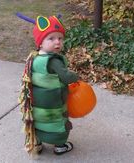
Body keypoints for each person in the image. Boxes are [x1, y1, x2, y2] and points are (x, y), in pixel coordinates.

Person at [17, 13, 79, 156]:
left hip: (38, 99)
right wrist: (76, 76)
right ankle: (60, 145)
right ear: (40, 42)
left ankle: (37, 143)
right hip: (53, 100)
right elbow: (66, 76)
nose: (57, 42)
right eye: (51, 38)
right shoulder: (54, 61)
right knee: (57, 120)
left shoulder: (33, 58)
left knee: (38, 119)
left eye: (60, 38)